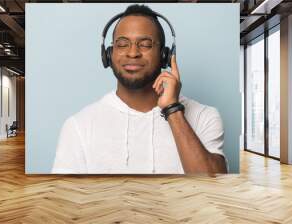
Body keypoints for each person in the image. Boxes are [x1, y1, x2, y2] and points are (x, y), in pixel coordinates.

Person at [52, 4, 227, 174]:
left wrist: (172, 109)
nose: (133, 53)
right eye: (122, 44)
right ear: (108, 55)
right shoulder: (78, 126)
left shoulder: (204, 116)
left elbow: (216, 187)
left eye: (145, 44)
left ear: (164, 55)